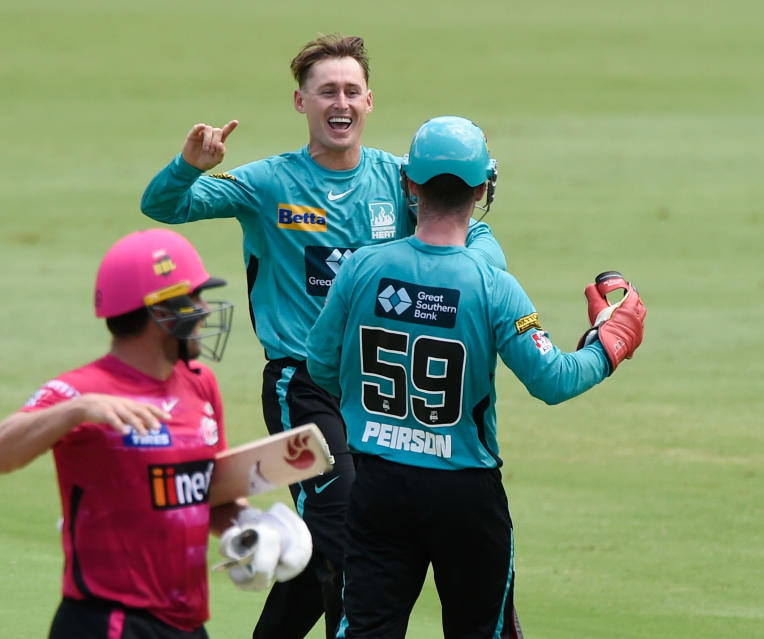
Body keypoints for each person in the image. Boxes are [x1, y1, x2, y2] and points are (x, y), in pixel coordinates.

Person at [139, 34, 508, 639]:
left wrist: (483, 268)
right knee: (342, 521)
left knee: (333, 534)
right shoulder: (267, 183)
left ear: (369, 103)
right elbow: (164, 206)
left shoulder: (399, 178)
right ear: (300, 102)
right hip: (301, 383)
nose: (341, 102)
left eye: (351, 91)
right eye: (326, 91)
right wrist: (188, 166)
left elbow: (468, 225)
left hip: (378, 385)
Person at [305, 116, 647, 638]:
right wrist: (609, 346)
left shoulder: (360, 268)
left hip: (377, 485)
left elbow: (320, 366)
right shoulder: (495, 286)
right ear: (484, 188)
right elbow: (553, 379)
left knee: (367, 629)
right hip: (464, 495)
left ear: (409, 185)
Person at [0, 228, 313, 639]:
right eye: (195, 299)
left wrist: (247, 523)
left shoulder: (200, 383)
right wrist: (77, 411)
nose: (205, 311)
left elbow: (202, 491)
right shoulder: (82, 391)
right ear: (160, 312)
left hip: (187, 624)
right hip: (110, 624)